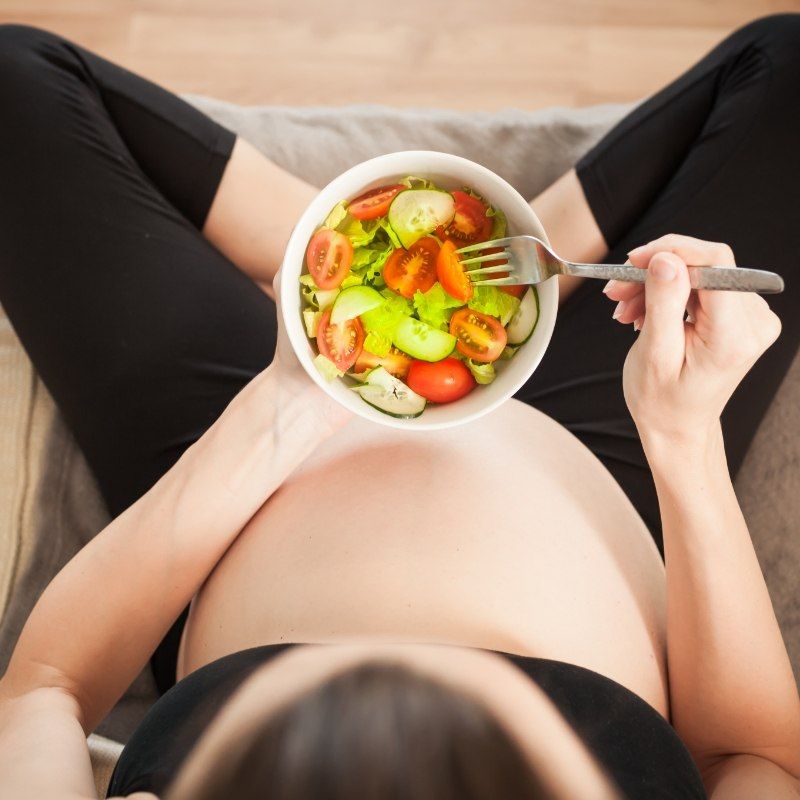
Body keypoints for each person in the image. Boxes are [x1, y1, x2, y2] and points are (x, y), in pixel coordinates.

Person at [0, 13, 798, 800]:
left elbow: (46, 689)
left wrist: (286, 407)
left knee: (17, 86)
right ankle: (511, 261)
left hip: (248, 467)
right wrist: (683, 437)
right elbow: (754, 760)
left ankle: (346, 260)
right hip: (606, 451)